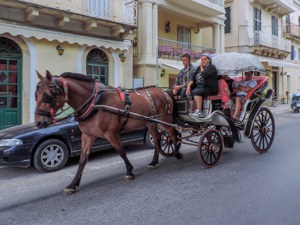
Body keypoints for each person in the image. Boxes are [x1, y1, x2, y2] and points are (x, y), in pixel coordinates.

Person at [186, 53, 218, 118]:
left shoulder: (211, 67)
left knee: (196, 92)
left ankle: (199, 111)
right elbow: (193, 77)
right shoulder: (198, 69)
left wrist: (201, 67)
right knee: (186, 92)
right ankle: (192, 110)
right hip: (199, 87)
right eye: (202, 60)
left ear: (208, 60)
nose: (203, 61)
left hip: (209, 88)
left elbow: (204, 75)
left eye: (204, 59)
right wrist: (188, 86)